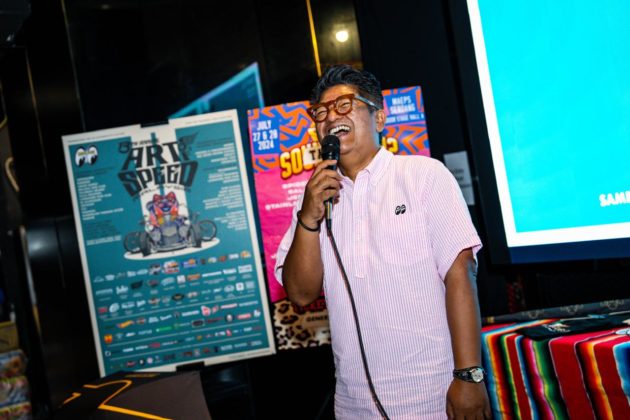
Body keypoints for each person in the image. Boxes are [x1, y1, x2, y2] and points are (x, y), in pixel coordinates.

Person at [275, 64, 491, 419]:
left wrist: (469, 374)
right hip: (353, 406)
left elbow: (460, 275)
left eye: (344, 105)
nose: (331, 117)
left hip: (435, 396)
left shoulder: (423, 175)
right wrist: (309, 218)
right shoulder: (314, 198)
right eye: (321, 112)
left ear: (378, 117)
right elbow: (299, 293)